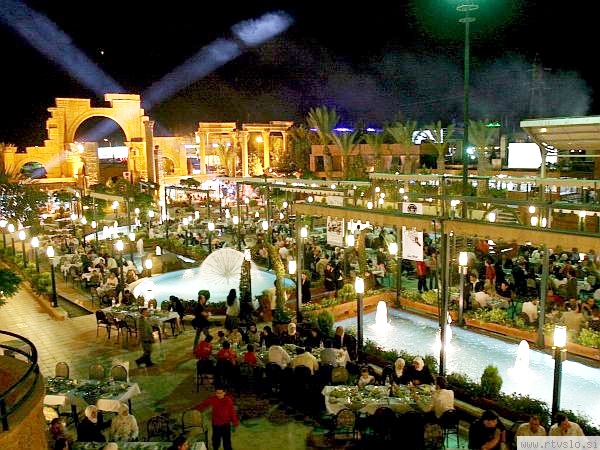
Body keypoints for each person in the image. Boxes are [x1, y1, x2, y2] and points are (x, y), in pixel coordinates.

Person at [195, 385, 239, 450]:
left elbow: (232, 412)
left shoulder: (228, 401)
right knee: (216, 440)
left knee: (227, 441)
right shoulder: (213, 399)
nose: (218, 395)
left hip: (226, 424)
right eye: (217, 393)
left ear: (224, 393)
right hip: (216, 424)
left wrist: (235, 422)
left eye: (220, 393)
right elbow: (204, 404)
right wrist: (195, 410)